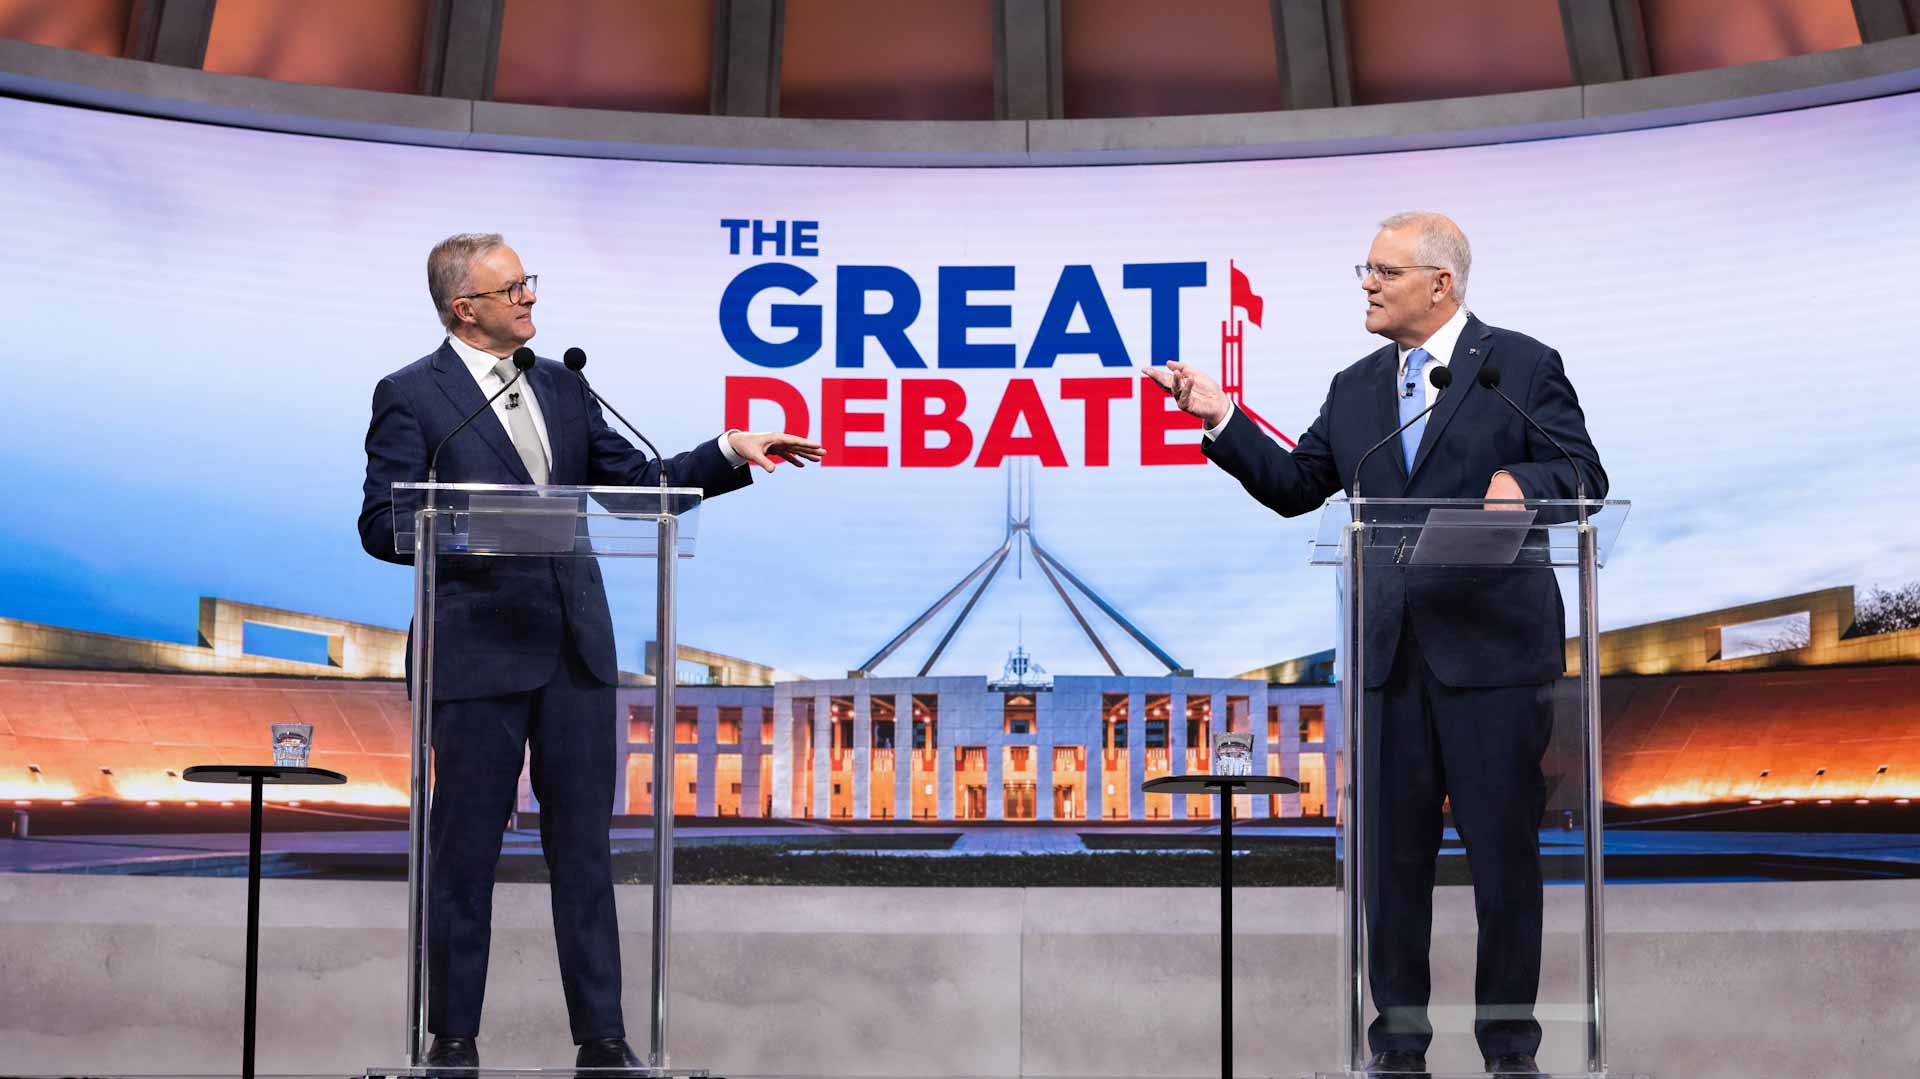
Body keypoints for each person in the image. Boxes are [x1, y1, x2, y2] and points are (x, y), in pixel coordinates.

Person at [1147, 212, 1606, 1078]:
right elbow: (1294, 485)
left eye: (1383, 271)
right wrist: (1221, 417)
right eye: (1365, 269)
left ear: (1441, 284)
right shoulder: (1356, 388)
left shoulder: (1519, 366)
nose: (1366, 283)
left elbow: (1586, 473)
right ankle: (1397, 1050)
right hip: (1389, 661)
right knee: (1391, 871)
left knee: (1505, 862)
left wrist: (1526, 481)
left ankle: (1511, 1051)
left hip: (1494, 663)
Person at [358, 233, 823, 1070]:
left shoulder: (563, 386)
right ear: (466, 308)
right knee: (463, 855)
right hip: (476, 659)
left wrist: (726, 454)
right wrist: (487, 528)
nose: (531, 297)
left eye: (528, 282)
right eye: (514, 288)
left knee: (587, 853)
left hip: (574, 654)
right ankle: (453, 1039)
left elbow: (634, 488)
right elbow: (383, 526)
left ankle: (603, 1041)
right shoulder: (412, 395)